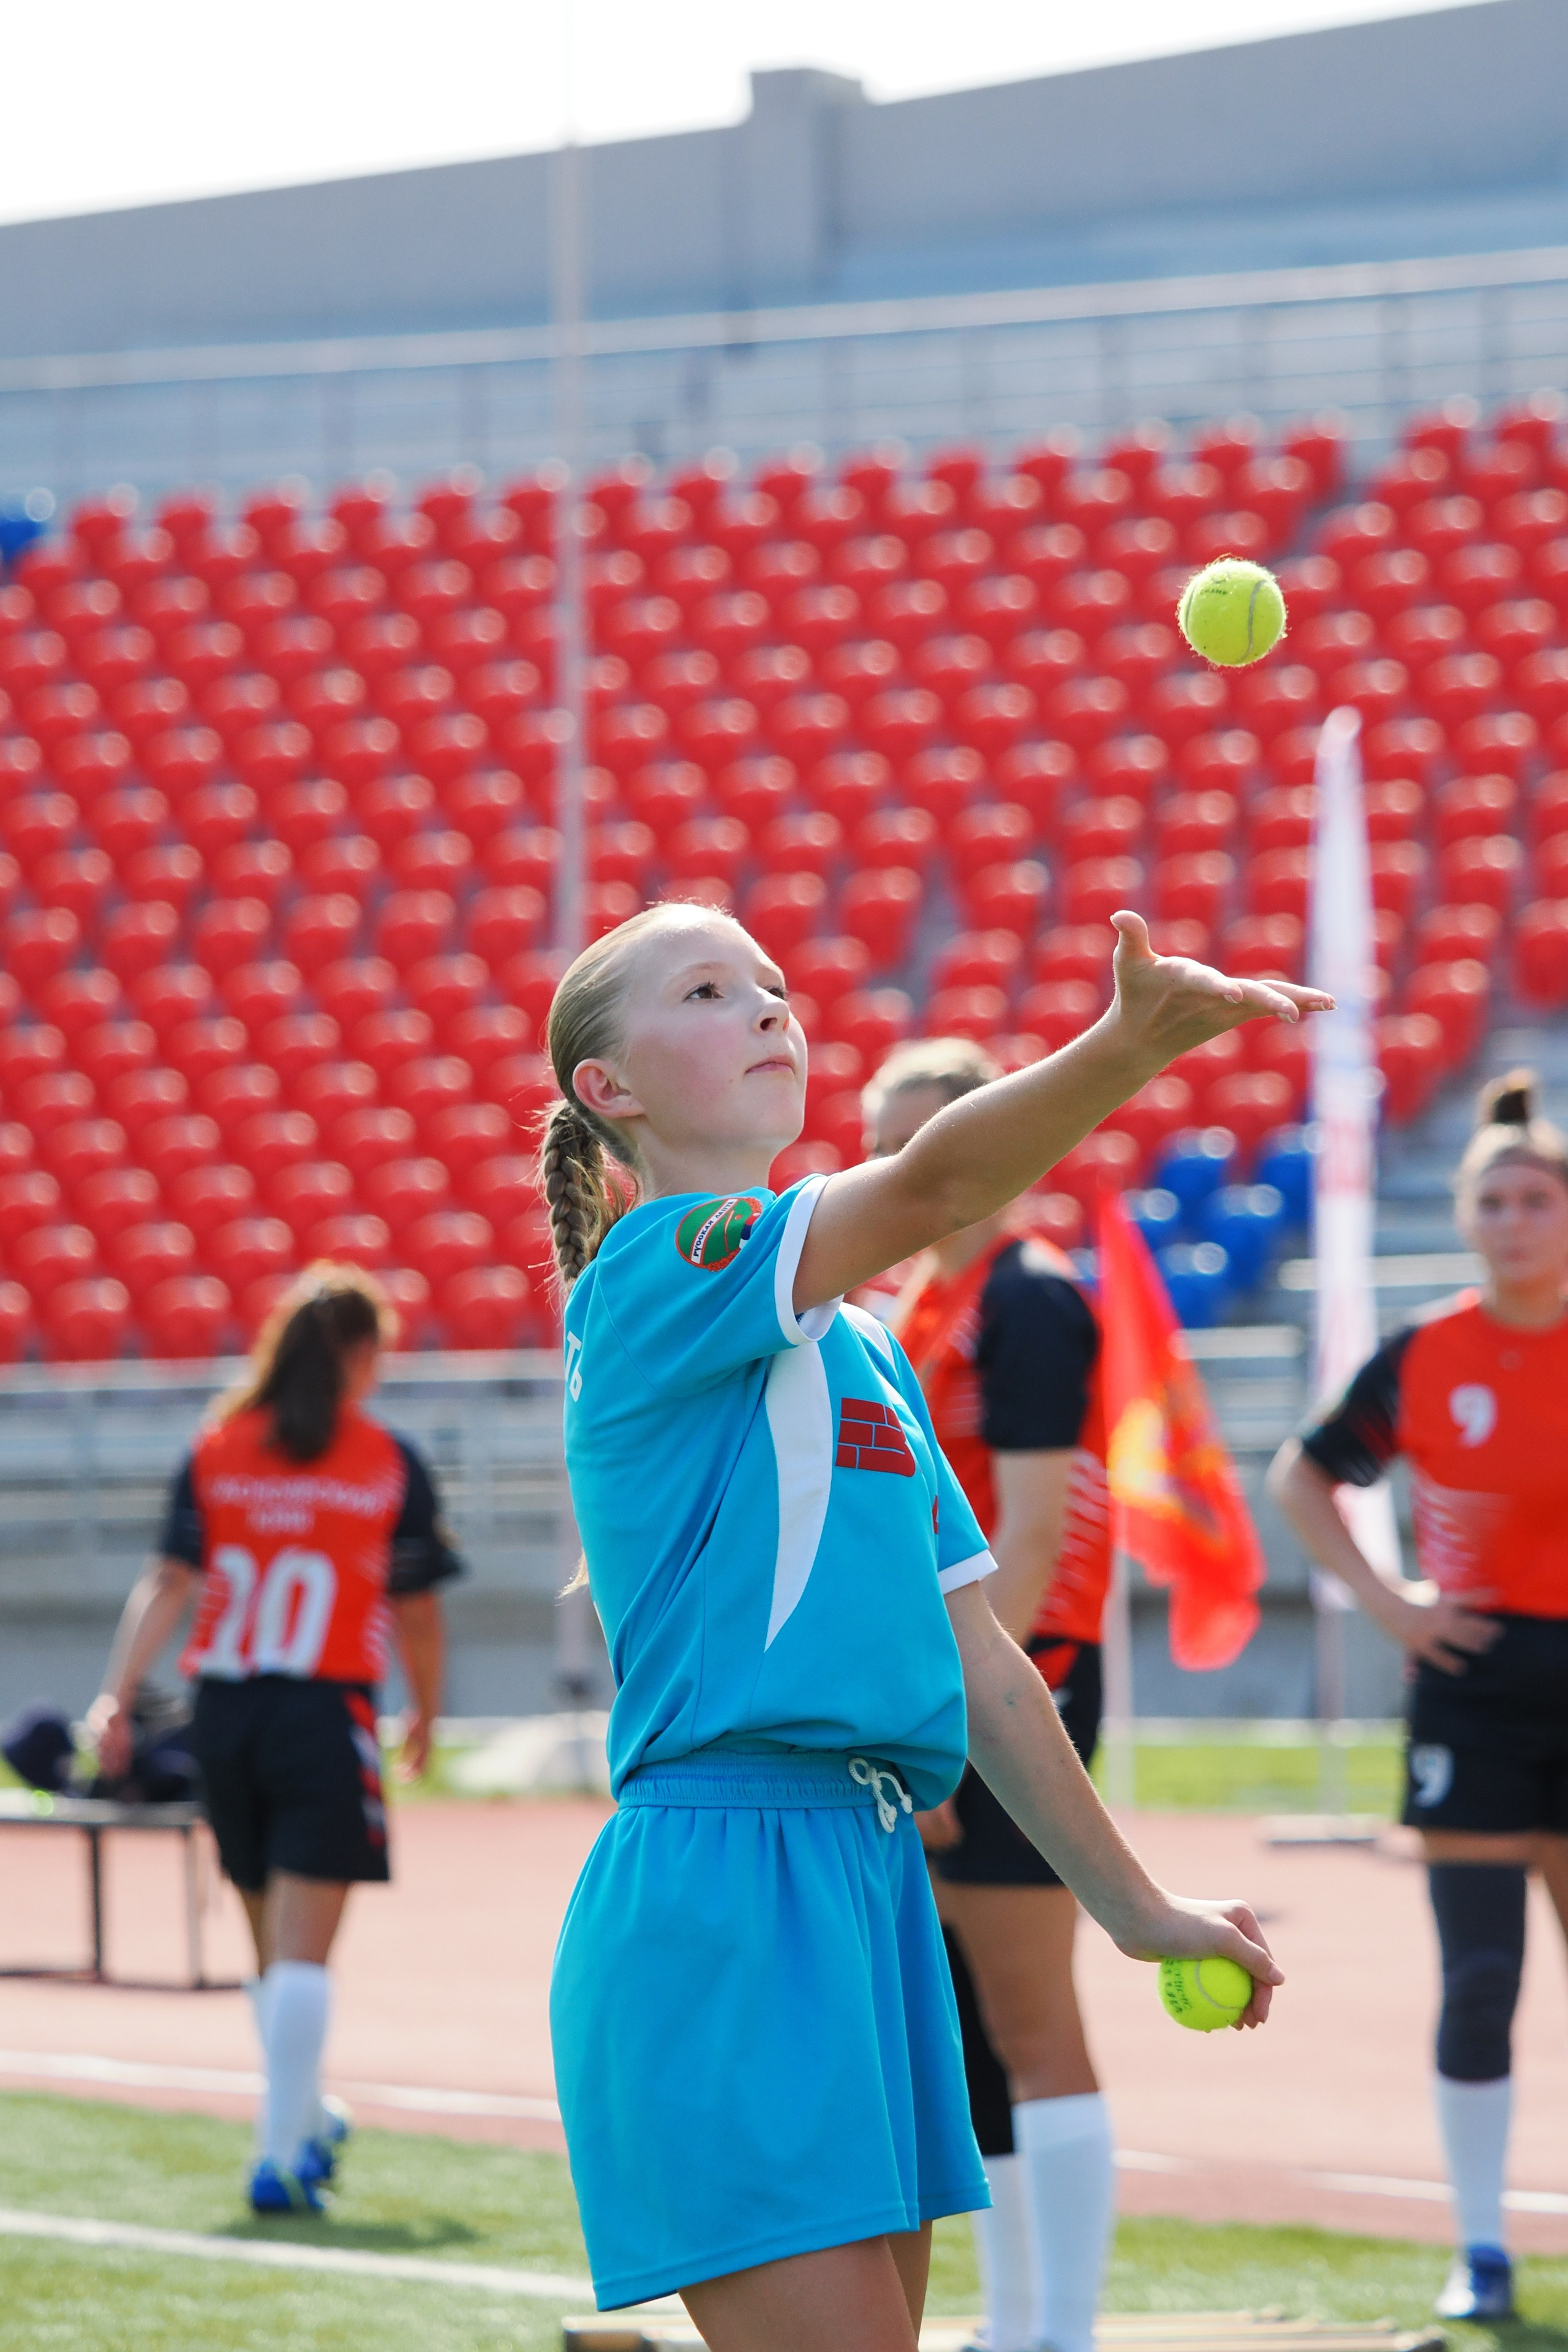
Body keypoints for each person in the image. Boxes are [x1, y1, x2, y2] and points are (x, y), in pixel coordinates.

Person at [541, 899, 1319, 2352]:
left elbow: (984, 1667)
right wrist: (1125, 1044)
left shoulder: (865, 1344)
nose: (768, 1006)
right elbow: (932, 1184)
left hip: (864, 1872)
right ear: (610, 1090)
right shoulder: (661, 1268)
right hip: (724, 1885)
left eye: (772, 982)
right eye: (709, 991)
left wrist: (1134, 1908)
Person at [1269, 1072, 1568, 2326]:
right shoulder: (1426, 1355)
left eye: (1534, 1200)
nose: (1510, 1220)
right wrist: (1388, 1606)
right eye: (1489, 1201)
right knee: (1479, 1980)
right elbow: (1302, 1478)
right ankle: (1480, 2250)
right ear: (1462, 1220)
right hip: (1473, 1688)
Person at [88, 1263, 464, 2215]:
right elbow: (414, 1611)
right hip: (321, 1712)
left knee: (267, 1950)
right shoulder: (385, 1459)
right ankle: (279, 2154)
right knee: (302, 1956)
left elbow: (169, 1582)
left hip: (225, 1713)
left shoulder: (220, 1446)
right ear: (362, 1356)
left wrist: (118, 1695)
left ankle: (309, 2116)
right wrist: (425, 1707)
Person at [865, 1036, 1113, 2352]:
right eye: (897, 1143)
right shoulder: (912, 1303)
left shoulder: (1024, 1296)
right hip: (944, 1695)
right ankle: (1015, 2323)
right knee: (970, 2032)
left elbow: (1026, 1535)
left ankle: (1056, 2331)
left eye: (942, 1134)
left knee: (1029, 2019)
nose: (926, 1168)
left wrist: (949, 1725)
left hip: (1019, 1683)